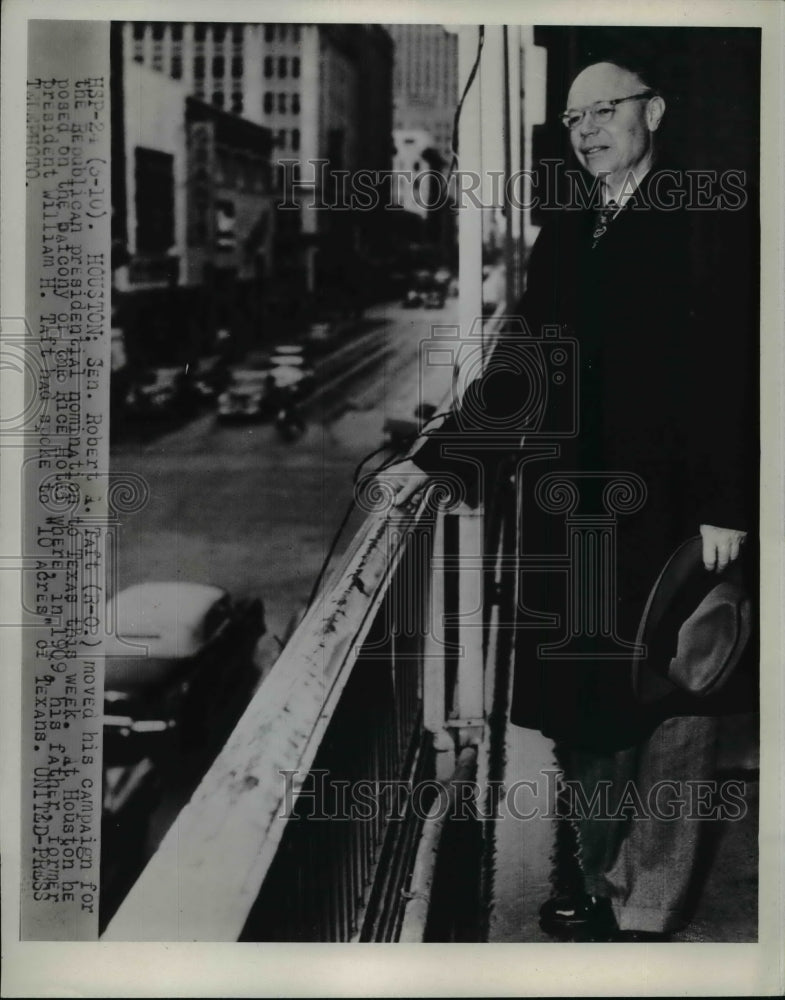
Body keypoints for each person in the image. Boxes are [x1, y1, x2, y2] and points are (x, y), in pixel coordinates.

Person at [377, 59, 758, 940]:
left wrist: (728, 505)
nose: (586, 130)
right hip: (576, 512)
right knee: (587, 711)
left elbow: (734, 367)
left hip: (674, 509)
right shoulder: (568, 230)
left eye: (603, 110)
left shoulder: (707, 219)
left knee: (674, 697)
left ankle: (647, 903)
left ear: (652, 111)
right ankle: (595, 876)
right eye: (572, 118)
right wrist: (438, 461)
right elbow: (524, 366)